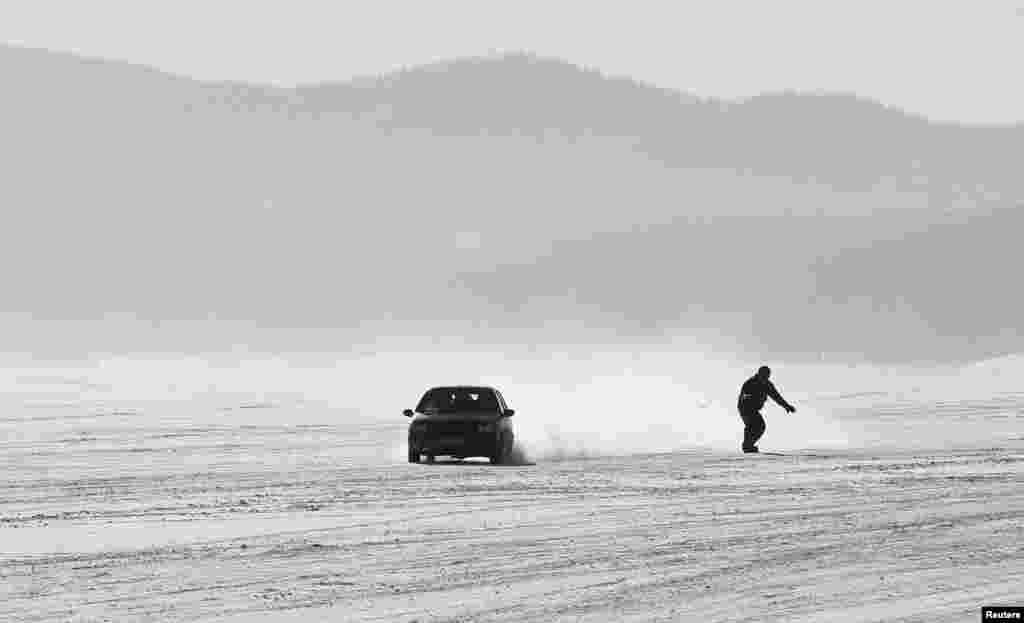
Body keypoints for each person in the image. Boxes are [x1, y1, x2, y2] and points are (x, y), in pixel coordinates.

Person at [737, 366, 796, 453]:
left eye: (767, 376)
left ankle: (748, 445)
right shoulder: (750, 382)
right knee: (757, 426)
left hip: (753, 409)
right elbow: (744, 396)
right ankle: (747, 446)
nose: (766, 377)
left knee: (757, 426)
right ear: (759, 374)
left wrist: (786, 406)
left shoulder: (767, 384)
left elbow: (776, 397)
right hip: (745, 407)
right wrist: (749, 398)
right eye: (764, 375)